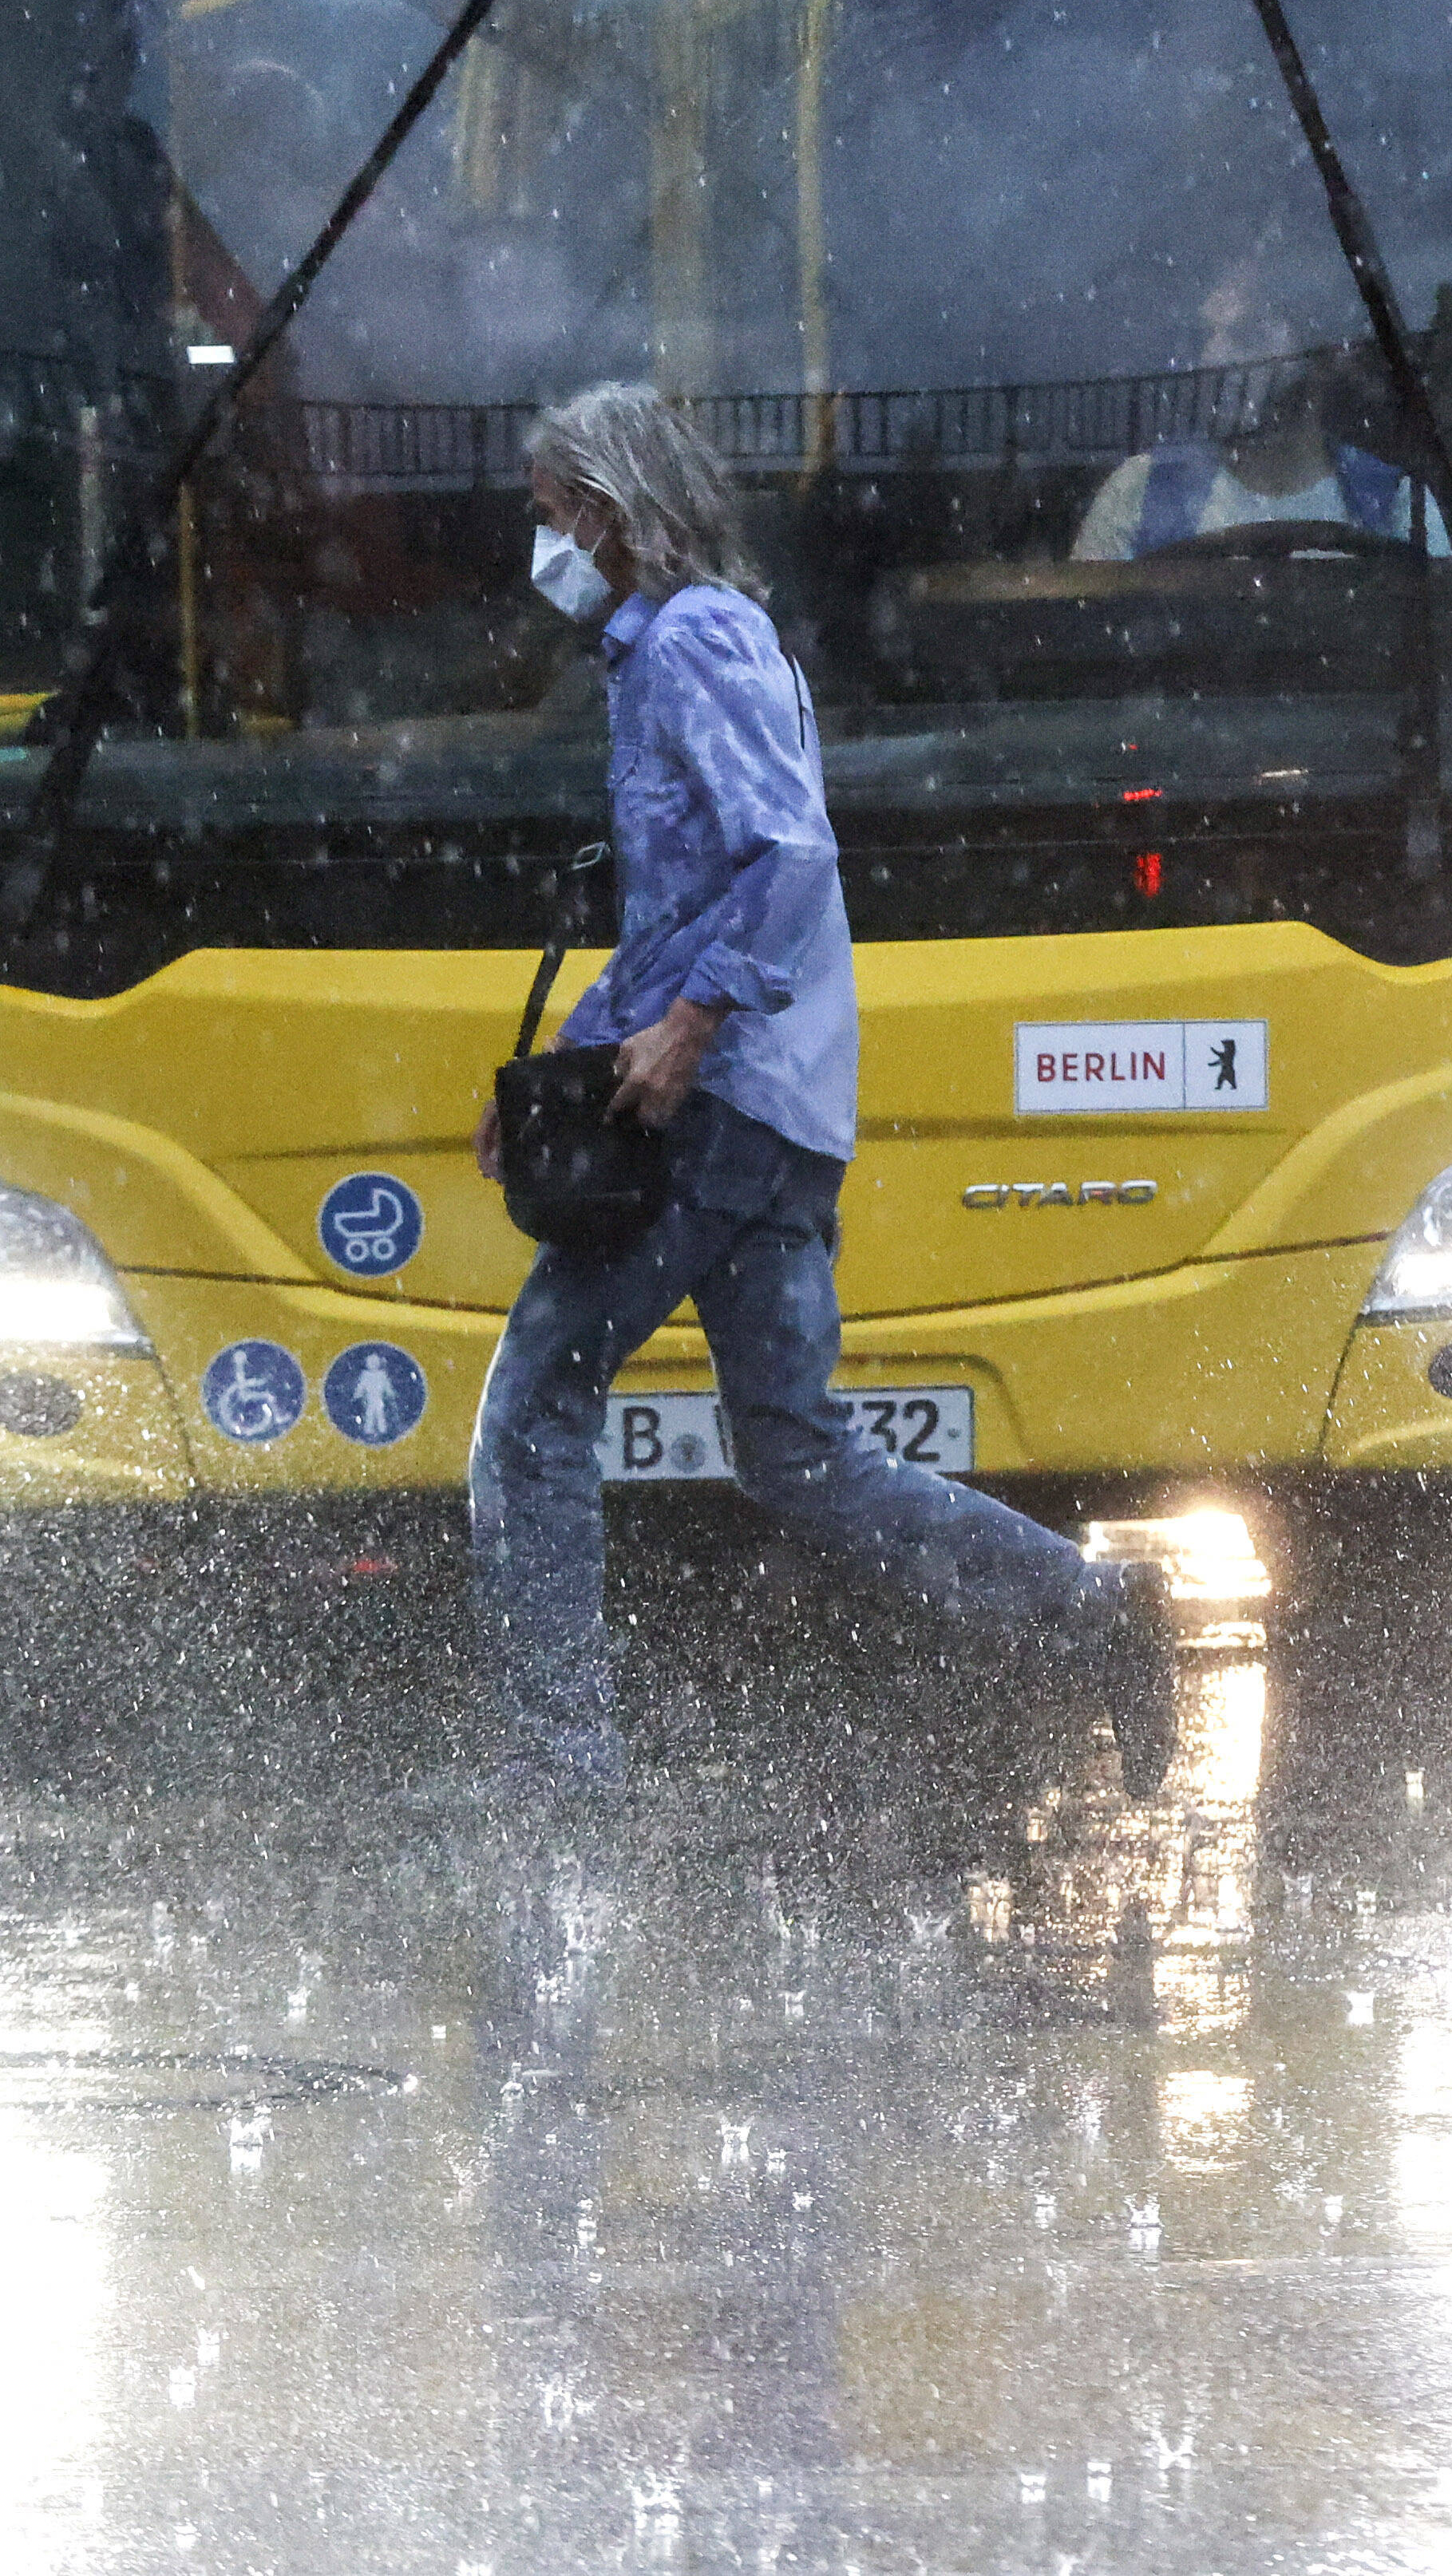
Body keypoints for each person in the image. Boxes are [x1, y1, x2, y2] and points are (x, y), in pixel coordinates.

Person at [468, 383, 1181, 1803]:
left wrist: (678, 1031)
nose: (540, 542)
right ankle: (1093, 1617)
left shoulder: (692, 643)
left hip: (720, 1106)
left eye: (552, 516)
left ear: (610, 512)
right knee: (793, 1452)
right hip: (772, 1109)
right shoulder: (684, 648)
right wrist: (572, 1052)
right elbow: (691, 900)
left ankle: (556, 1771)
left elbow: (785, 856)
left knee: (533, 1411)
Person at [1071, 290, 1452, 562]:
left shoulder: (1403, 505)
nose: (1213, 358)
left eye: (1245, 335)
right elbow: (1081, 651)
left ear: (1322, 359)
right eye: (1208, 336)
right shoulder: (1137, 494)